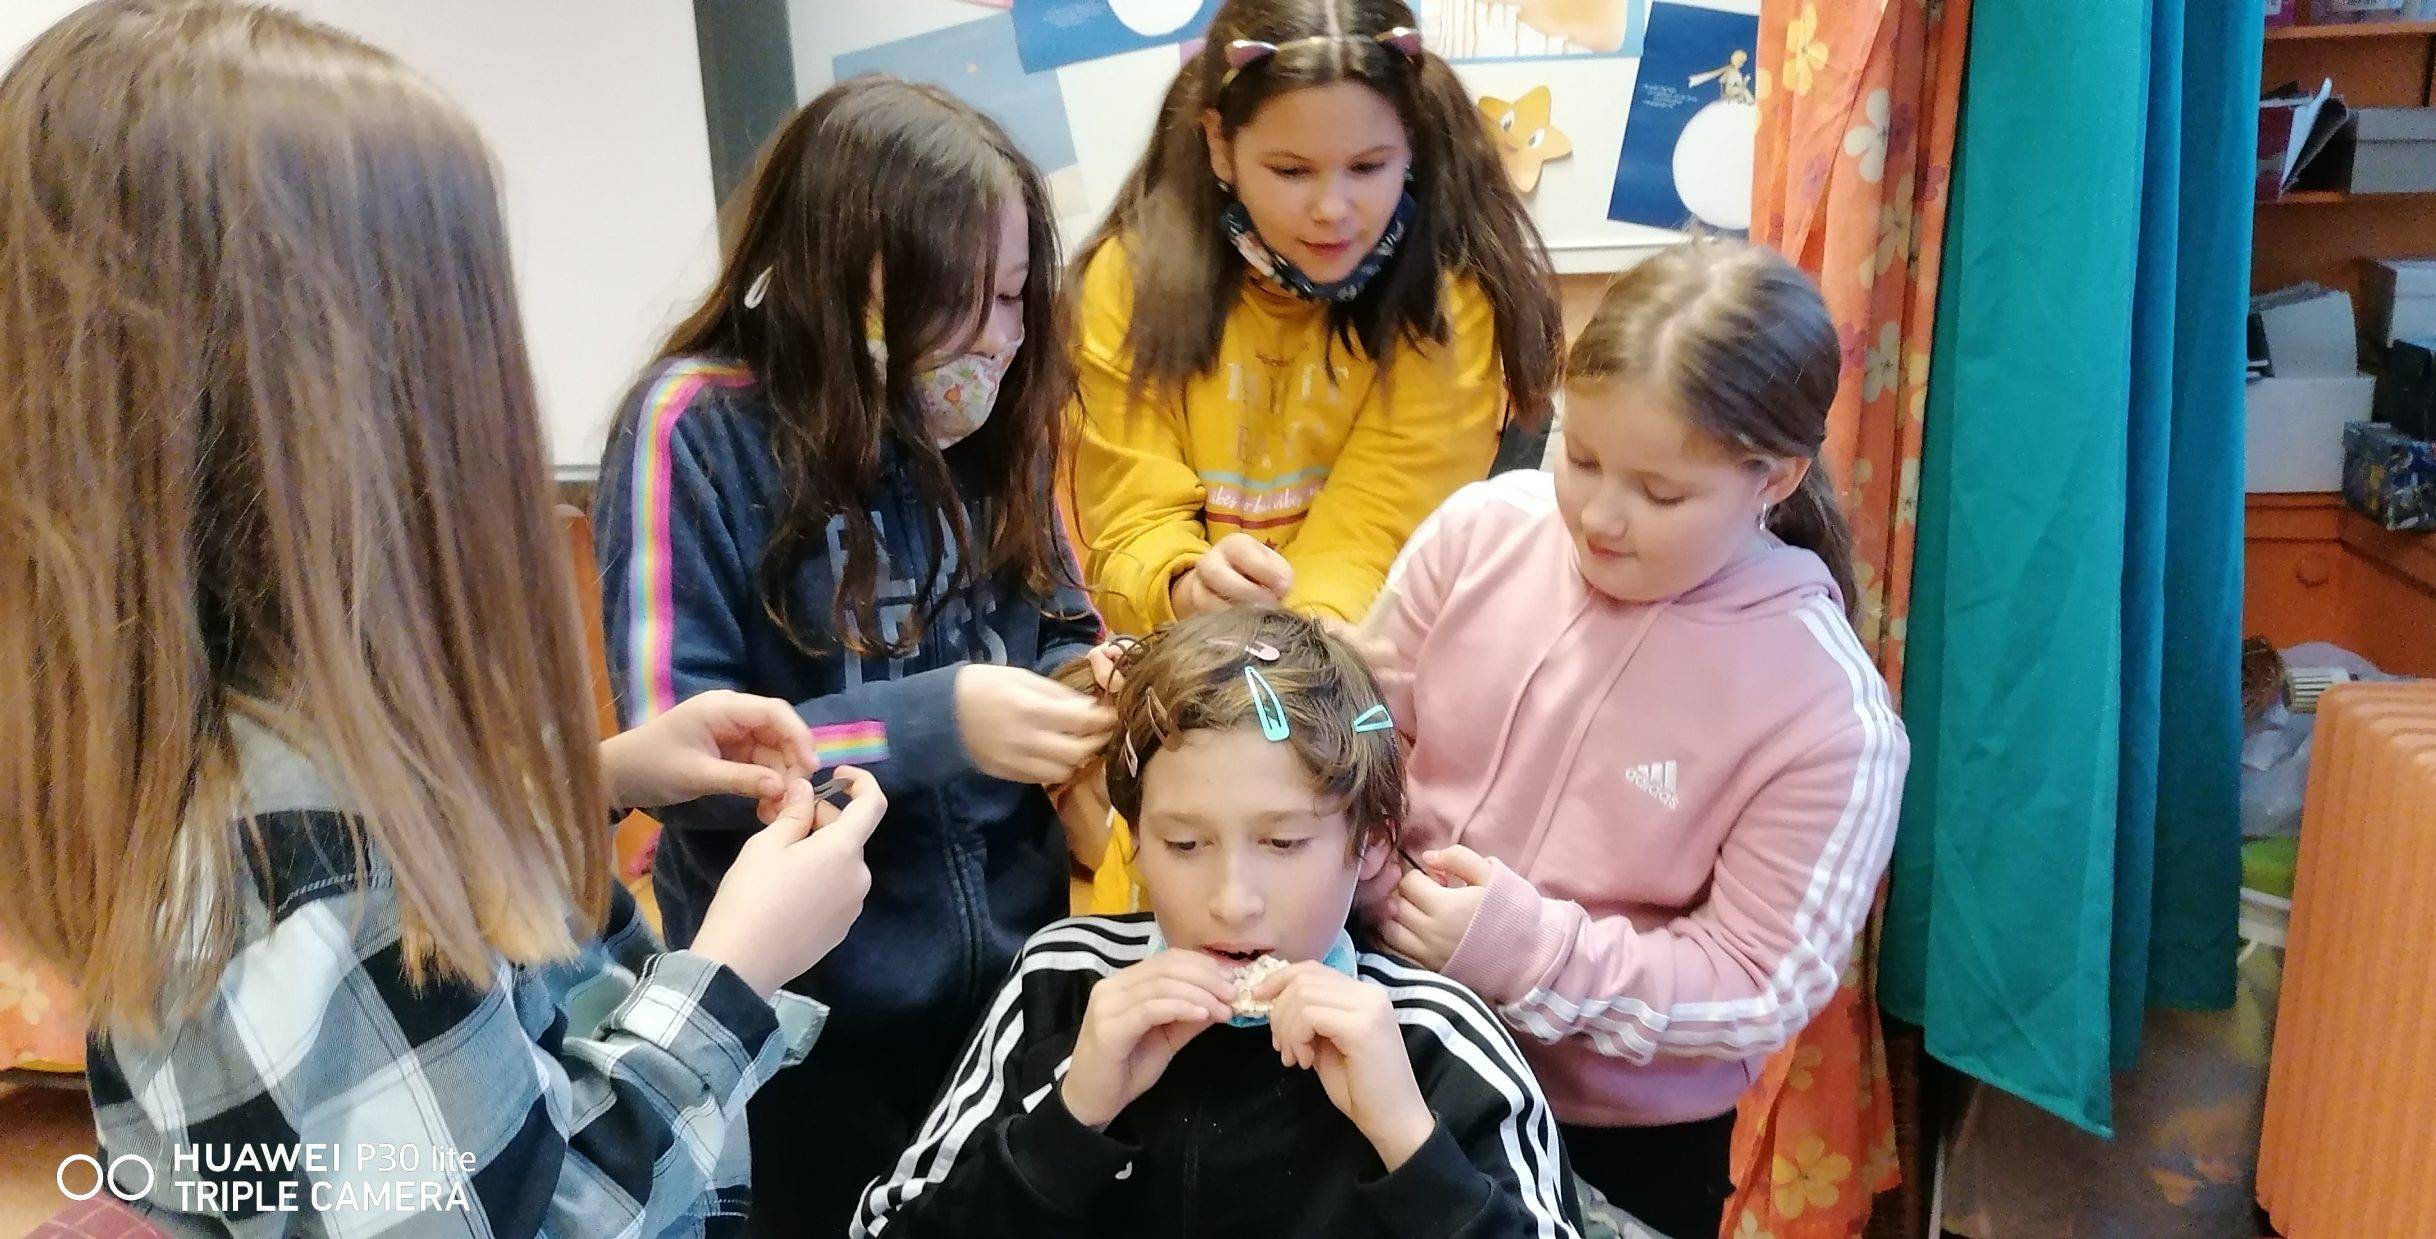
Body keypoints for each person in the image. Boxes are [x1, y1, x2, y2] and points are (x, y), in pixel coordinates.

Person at [0, 3, 883, 1233]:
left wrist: (588, 782)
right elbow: (530, 1213)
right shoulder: (309, 863)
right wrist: (730, 978)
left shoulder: (222, 753)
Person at [592, 75, 1109, 1233]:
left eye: (1015, 296)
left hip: (1013, 996)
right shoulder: (695, 426)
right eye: (961, 302)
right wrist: (938, 724)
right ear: (840, 280)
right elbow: (686, 762)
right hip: (802, 1027)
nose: (1002, 339)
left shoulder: (992, 412)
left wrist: (1086, 680)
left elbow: (1060, 625)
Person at [1359, 239, 1910, 1238]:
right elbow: (1368, 723)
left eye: (1660, 494)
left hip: (1609, 1138)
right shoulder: (1480, 531)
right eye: (1579, 458)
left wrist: (1530, 952)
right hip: (1380, 1036)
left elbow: (1757, 985)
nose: (1601, 518)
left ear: (1775, 477)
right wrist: (1350, 840)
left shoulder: (1828, 715)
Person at [853, 608, 1580, 1237]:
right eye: (1185, 844)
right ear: (1134, 842)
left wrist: (1411, 1145)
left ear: (1370, 845)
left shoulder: (1441, 1043)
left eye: (1284, 843)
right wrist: (1069, 1120)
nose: (1232, 902)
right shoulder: (1058, 986)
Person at [1066, 0, 1563, 637]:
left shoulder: (1448, 300)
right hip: (1183, 648)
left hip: (1347, 650)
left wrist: (1296, 654)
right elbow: (1129, 516)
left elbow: (1374, 531)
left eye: (1368, 166)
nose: (1333, 208)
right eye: (1291, 171)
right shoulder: (1128, 280)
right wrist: (1182, 587)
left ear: (1410, 145)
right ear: (1220, 146)